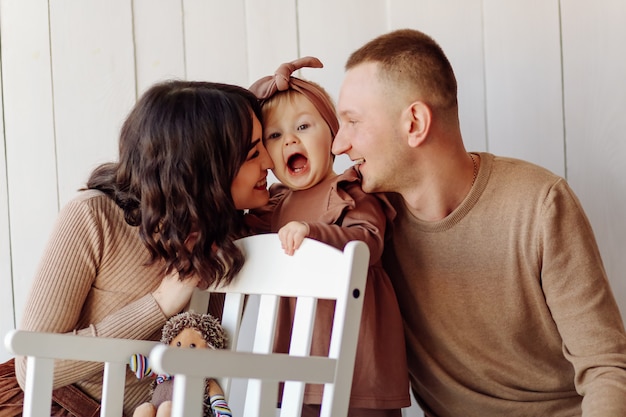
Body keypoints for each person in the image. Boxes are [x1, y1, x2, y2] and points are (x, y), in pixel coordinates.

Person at [330, 28, 626, 417]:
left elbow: (606, 367)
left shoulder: (539, 204)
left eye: (352, 122)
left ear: (414, 123)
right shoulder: (369, 224)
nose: (339, 144)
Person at [2, 80, 273, 416]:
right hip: (56, 406)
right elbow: (32, 369)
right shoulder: (93, 216)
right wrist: (159, 303)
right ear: (203, 167)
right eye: (253, 153)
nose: (270, 162)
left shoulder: (234, 237)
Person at [247, 57, 410, 417]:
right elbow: (243, 247)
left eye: (303, 126)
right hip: (296, 357)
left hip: (356, 353)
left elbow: (368, 241)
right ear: (267, 156)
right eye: (275, 135)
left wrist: (314, 233)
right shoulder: (273, 205)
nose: (289, 139)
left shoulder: (350, 189)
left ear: (333, 135)